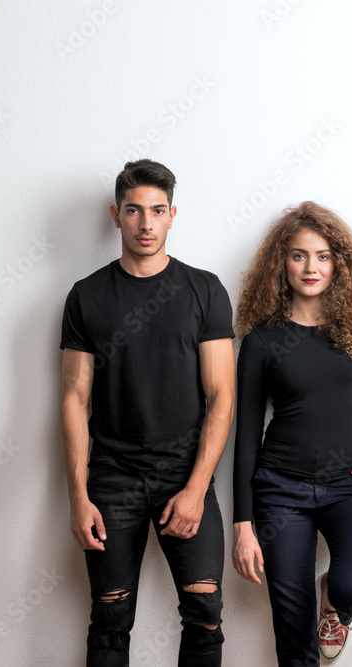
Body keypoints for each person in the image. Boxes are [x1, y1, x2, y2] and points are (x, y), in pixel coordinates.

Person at [231, 201, 352, 665]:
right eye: (299, 255)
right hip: (281, 491)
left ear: (338, 262)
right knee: (292, 633)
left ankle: (334, 602)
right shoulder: (262, 341)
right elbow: (245, 437)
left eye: (322, 255)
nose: (311, 266)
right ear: (282, 263)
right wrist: (243, 525)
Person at [59, 159, 236, 666]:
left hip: (186, 474)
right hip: (112, 480)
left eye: (157, 211)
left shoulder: (204, 290)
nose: (146, 223)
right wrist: (78, 496)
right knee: (110, 621)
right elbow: (74, 397)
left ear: (173, 215)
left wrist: (198, 489)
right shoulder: (87, 296)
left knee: (205, 614)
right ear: (116, 215)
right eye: (134, 211)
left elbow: (222, 395)